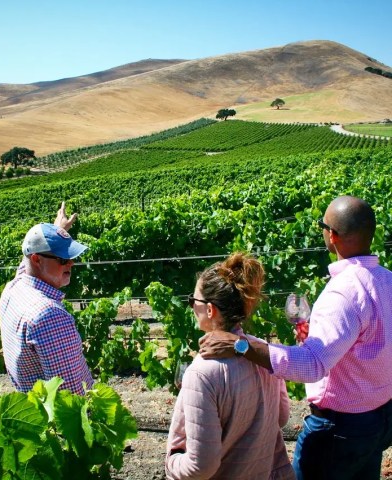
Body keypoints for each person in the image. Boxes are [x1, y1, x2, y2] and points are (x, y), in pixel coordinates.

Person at [199, 195, 392, 480]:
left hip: (341, 430)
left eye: (322, 225)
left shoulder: (343, 292)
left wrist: (241, 345)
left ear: (332, 236)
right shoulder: (387, 279)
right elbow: (367, 342)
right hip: (381, 419)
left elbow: (312, 366)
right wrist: (313, 331)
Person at [165, 252, 295, 480]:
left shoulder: (202, 373)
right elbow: (281, 417)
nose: (191, 307)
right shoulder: (263, 353)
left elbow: (200, 467)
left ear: (209, 309)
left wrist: (172, 463)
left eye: (192, 301)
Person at [0, 202, 93, 395]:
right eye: (62, 258)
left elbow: (24, 265)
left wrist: (57, 232)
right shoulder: (49, 316)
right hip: (62, 423)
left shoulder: (13, 288)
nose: (71, 263)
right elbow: (71, 397)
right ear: (36, 259)